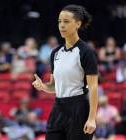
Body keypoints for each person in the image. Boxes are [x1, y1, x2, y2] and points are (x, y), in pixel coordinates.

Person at [32, 4, 98, 140]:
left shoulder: (86, 52)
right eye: (59, 22)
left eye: (66, 22)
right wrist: (43, 86)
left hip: (79, 108)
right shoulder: (55, 53)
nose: (61, 25)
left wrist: (92, 118)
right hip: (58, 107)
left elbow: (93, 87)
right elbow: (54, 86)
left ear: (78, 24)